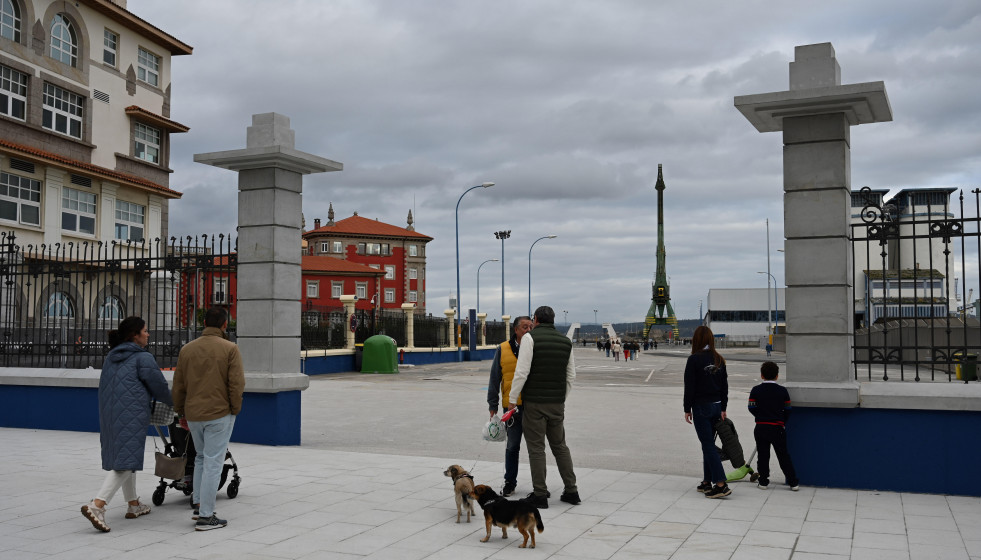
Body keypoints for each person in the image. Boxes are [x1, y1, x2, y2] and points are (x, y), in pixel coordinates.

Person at [81, 316, 172, 533]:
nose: (148, 334)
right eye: (145, 331)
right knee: (125, 462)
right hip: (132, 413)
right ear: (134, 335)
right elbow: (159, 386)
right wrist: (176, 402)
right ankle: (98, 505)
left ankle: (133, 504)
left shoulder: (112, 357)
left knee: (126, 456)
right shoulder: (143, 358)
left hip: (110, 412)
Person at [172, 307, 245, 531]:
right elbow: (236, 383)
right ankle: (206, 516)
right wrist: (234, 409)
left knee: (202, 458)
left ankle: (198, 504)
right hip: (219, 412)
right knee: (214, 461)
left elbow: (179, 385)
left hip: (193, 414)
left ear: (204, 323)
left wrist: (181, 411)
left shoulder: (187, 349)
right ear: (225, 325)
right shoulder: (230, 349)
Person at [508, 306, 579, 509]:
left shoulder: (530, 339)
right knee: (560, 446)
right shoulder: (566, 342)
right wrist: (560, 397)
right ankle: (571, 490)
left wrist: (513, 399)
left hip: (535, 404)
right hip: (557, 404)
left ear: (536, 319)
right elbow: (571, 375)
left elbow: (522, 372)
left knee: (536, 448)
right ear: (553, 320)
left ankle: (540, 494)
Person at [487, 315, 533, 496]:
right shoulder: (503, 349)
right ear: (515, 330)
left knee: (535, 448)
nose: (528, 330)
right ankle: (509, 482)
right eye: (524, 327)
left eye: (531, 327)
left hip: (532, 406)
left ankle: (540, 486)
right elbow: (494, 378)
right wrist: (493, 404)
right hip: (512, 407)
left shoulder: (534, 347)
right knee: (512, 446)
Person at [683, 325, 731, 498]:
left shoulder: (694, 359)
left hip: (701, 406)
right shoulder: (719, 359)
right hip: (717, 406)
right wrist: (724, 407)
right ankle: (706, 481)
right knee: (708, 444)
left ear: (696, 340)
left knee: (708, 445)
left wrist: (686, 408)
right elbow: (725, 386)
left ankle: (721, 484)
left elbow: (690, 387)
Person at [749, 361, 799, 490]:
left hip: (761, 427)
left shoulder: (756, 390)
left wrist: (760, 416)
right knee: (783, 455)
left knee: (763, 455)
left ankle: (764, 481)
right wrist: (782, 421)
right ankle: (793, 482)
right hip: (778, 427)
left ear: (762, 375)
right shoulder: (782, 391)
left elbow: (751, 407)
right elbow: (788, 409)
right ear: (777, 376)